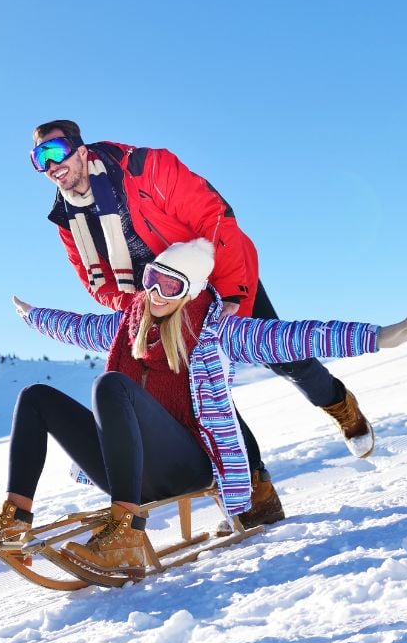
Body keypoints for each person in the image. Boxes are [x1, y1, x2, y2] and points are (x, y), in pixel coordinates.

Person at [0, 238, 407, 578]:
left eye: (171, 288)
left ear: (191, 293)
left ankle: (128, 532)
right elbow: (74, 326)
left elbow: (291, 335)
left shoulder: (217, 330)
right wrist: (33, 315)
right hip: (129, 468)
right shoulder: (130, 321)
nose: (156, 294)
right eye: (153, 279)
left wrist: (375, 337)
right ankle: (15, 520)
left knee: (111, 386)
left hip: (189, 465)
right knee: (36, 396)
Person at [28, 120, 376, 469]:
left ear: (81, 150)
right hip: (161, 298)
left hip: (214, 273)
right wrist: (139, 306)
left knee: (278, 352)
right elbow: (96, 282)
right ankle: (254, 489)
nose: (52, 166)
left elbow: (215, 217)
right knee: (198, 389)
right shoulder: (67, 219)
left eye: (56, 152)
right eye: (39, 159)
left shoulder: (144, 168)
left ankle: (339, 404)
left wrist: (231, 291)